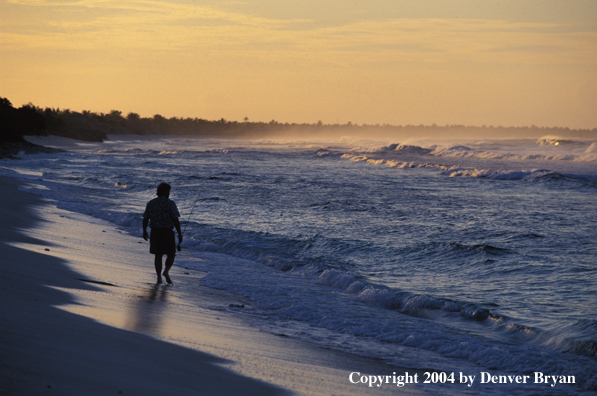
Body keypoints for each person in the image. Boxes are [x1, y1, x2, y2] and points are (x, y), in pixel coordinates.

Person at [142, 183, 183, 284]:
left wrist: (144, 231)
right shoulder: (170, 203)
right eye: (168, 192)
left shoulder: (151, 203)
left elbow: (145, 218)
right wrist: (179, 233)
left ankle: (159, 277)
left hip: (155, 232)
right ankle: (166, 271)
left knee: (158, 255)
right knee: (171, 254)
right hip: (167, 232)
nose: (169, 194)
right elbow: (175, 219)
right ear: (165, 192)